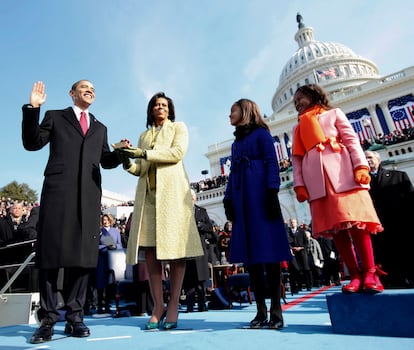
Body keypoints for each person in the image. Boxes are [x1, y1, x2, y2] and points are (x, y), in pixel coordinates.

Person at [22, 80, 121, 343]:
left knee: (83, 257)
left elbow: (107, 160)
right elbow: (32, 143)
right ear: (72, 93)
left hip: (88, 197)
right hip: (58, 193)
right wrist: (33, 108)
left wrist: (121, 153)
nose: (90, 90)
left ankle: (75, 316)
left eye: (93, 88)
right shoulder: (56, 117)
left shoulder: (100, 128)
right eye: (84, 87)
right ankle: (48, 319)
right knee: (51, 256)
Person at [117, 92, 203, 330]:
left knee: (176, 252)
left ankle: (173, 303)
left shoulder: (178, 128)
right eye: (156, 105)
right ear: (151, 110)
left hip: (173, 196)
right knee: (151, 254)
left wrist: (143, 153)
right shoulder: (144, 136)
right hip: (149, 197)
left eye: (164, 105)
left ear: (170, 110)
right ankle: (158, 306)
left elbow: (177, 154)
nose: (160, 107)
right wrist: (127, 160)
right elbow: (140, 169)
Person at [291, 84, 384, 295]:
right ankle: (355, 274)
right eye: (295, 101)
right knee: (337, 231)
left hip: (343, 175)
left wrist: (361, 166)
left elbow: (351, 140)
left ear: (314, 95)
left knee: (357, 226)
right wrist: (300, 184)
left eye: (301, 98)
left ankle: (370, 272)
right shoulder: (297, 128)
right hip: (318, 183)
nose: (297, 103)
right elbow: (296, 159)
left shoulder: (333, 114)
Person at [223, 98, 292, 329]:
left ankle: (276, 310)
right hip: (243, 199)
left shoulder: (262, 134)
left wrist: (272, 190)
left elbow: (272, 162)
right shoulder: (236, 144)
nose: (229, 115)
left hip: (261, 197)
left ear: (245, 111)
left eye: (232, 111)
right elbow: (233, 173)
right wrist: (228, 198)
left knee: (269, 254)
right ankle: (260, 310)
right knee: (251, 257)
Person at [365, 150, 414, 288]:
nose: (367, 160)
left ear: (378, 159)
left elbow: (410, 201)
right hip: (378, 229)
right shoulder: (361, 184)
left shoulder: (398, 176)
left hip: (400, 226)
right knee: (386, 261)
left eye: (370, 157)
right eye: (364, 158)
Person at [183, 190, 212, 312]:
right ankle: (189, 305)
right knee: (189, 279)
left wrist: (201, 226)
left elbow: (210, 228)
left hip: (200, 248)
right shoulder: (181, 212)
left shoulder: (202, 211)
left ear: (195, 198)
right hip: (186, 248)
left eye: (192, 197)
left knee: (200, 279)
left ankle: (202, 304)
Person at [96, 213, 123, 314]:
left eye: (107, 219)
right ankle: (99, 305)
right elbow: (96, 246)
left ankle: (107, 305)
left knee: (110, 283)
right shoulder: (99, 231)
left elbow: (119, 244)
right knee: (100, 282)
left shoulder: (115, 231)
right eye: (104, 219)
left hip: (112, 260)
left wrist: (115, 247)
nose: (105, 221)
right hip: (101, 259)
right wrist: (105, 247)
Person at [287, 218, 311, 292]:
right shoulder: (288, 232)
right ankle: (298, 286)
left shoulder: (302, 231)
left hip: (302, 252)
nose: (292, 224)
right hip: (293, 253)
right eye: (291, 222)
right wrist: (292, 248)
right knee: (295, 270)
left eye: (294, 222)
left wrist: (301, 247)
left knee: (305, 269)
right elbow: (287, 242)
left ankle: (308, 285)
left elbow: (306, 242)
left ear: (296, 223)